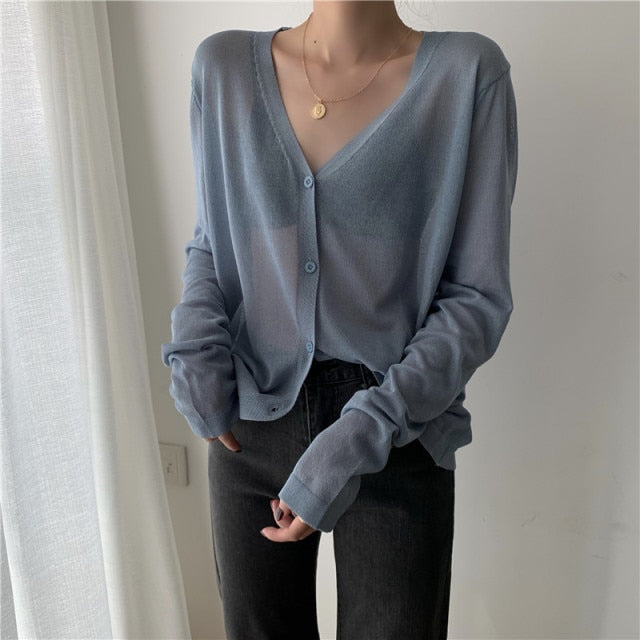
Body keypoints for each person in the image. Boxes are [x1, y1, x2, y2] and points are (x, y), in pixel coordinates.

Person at [161, 1, 518, 638]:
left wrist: (363, 435)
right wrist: (194, 354)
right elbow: (214, 243)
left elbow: (476, 296)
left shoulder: (466, 75)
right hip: (252, 425)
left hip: (396, 429)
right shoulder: (223, 68)